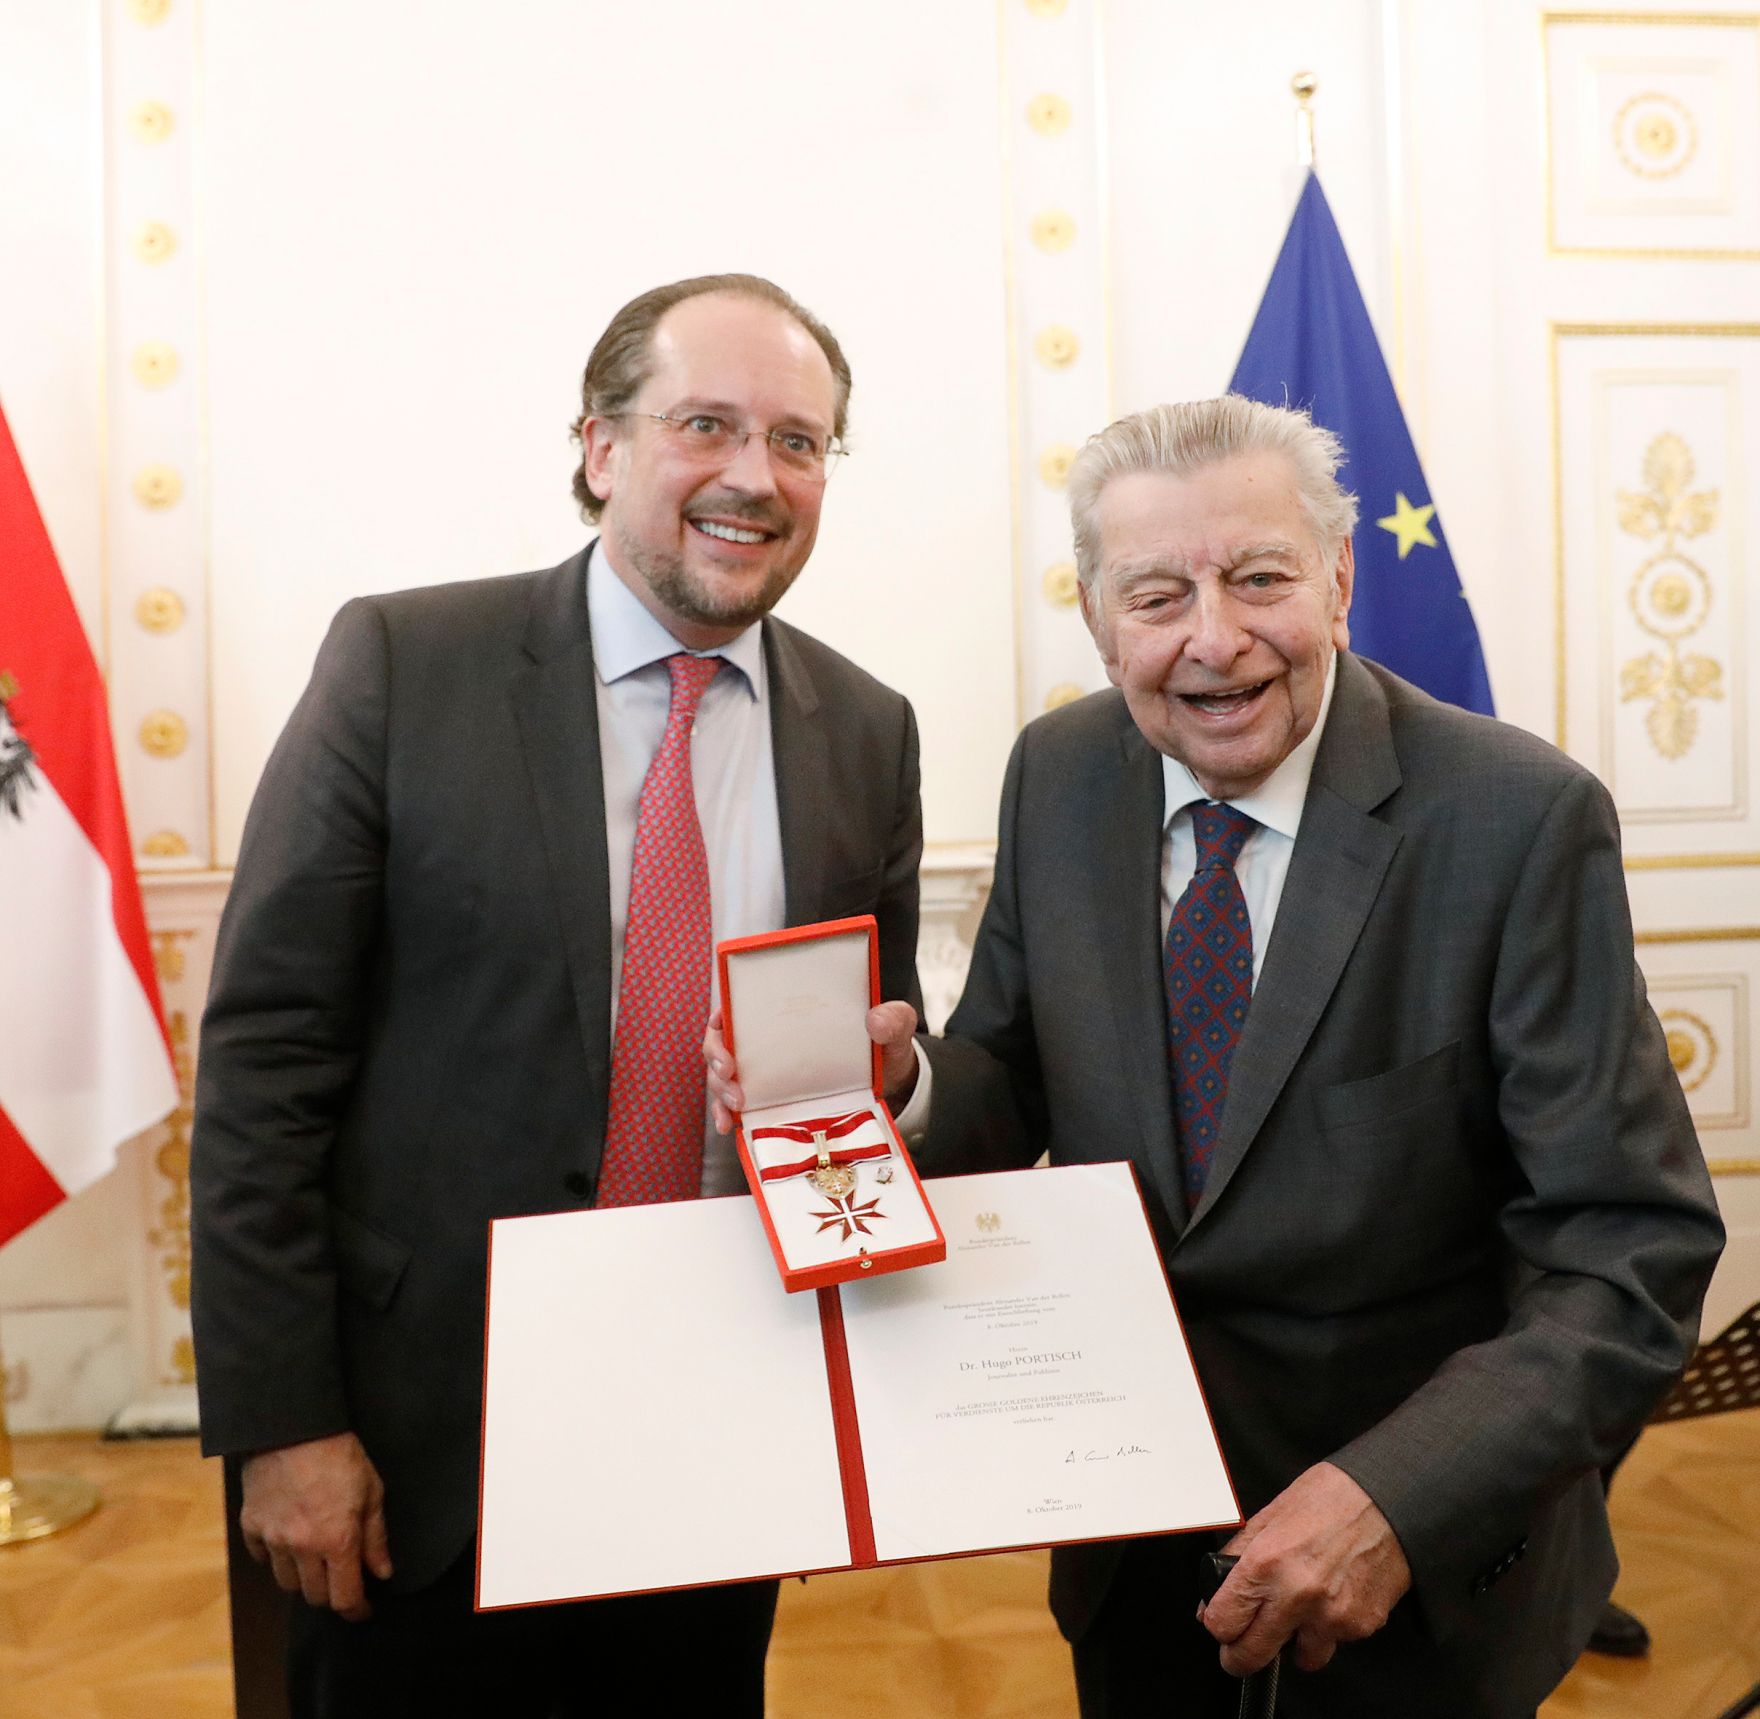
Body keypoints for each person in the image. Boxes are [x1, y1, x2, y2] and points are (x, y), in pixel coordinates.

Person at [709, 395, 1723, 1718]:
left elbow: (1627, 1248)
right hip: (1127, 1540)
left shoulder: (1515, 820)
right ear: (1093, 614)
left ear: (1341, 577)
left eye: (1259, 578)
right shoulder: (1059, 774)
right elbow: (1012, 1071)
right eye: (1156, 594)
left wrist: (1393, 1502)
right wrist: (895, 1093)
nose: (1214, 637)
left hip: (1411, 1574)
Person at [190, 273, 925, 1719]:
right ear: (599, 448)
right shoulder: (406, 665)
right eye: (704, 423)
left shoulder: (867, 731)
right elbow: (268, 1060)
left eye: (798, 441)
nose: (752, 475)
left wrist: (888, 1084)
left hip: (719, 1429)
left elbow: (853, 1057)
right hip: (421, 1450)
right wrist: (287, 1425)